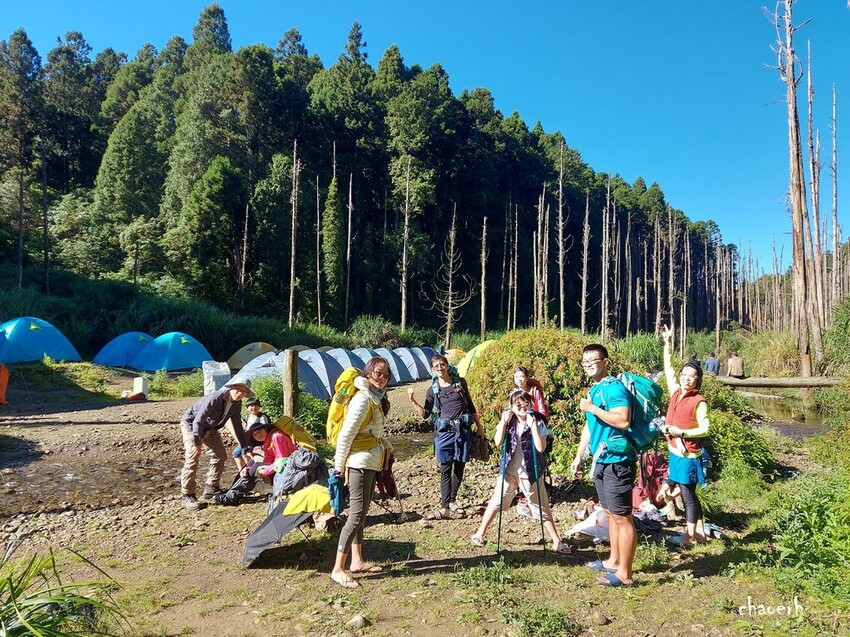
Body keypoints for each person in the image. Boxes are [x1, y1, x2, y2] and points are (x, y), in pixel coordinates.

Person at [470, 390, 570, 553]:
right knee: (496, 502)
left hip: (530, 473)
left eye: (526, 403)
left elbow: (541, 447)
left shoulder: (537, 422)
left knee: (540, 507)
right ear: (511, 407)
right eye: (518, 404)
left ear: (531, 405)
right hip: (509, 472)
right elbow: (497, 442)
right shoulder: (509, 421)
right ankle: (480, 533)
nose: (522, 406)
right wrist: (502, 423)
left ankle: (557, 541)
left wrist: (533, 427)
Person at [570, 344, 636, 587]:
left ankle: (625, 574)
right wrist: (579, 455)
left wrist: (592, 408)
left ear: (606, 362)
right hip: (602, 459)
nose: (588, 364)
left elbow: (623, 419)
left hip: (618, 460)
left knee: (622, 517)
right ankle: (613, 561)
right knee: (610, 514)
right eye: (584, 361)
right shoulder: (596, 389)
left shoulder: (613, 388)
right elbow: (590, 425)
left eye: (593, 360)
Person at [330, 356, 393, 589]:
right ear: (368, 374)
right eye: (378, 373)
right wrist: (338, 467)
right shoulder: (362, 399)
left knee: (363, 513)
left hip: (369, 461)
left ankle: (357, 561)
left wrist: (384, 444)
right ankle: (338, 568)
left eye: (386, 375)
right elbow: (346, 435)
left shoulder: (374, 398)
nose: (382, 378)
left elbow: (371, 432)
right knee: (355, 515)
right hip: (357, 462)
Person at [408, 354, 485, 520]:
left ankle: (451, 501)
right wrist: (413, 401)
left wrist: (479, 427)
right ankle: (445, 507)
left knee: (459, 466)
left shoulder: (460, 383)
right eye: (436, 366)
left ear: (447, 365)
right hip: (444, 434)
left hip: (463, 431)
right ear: (432, 369)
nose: (440, 368)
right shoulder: (432, 390)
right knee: (445, 468)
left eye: (442, 365)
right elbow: (425, 415)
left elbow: (471, 406)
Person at [661, 325, 711, 547]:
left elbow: (705, 429)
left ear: (698, 381)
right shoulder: (675, 392)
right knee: (684, 492)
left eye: (692, 376)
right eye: (684, 375)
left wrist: (681, 432)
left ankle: (689, 538)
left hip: (689, 454)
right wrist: (668, 345)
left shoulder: (699, 401)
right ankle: (699, 532)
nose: (686, 379)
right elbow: (669, 368)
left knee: (688, 495)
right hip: (675, 451)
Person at [179, 376, 253, 511]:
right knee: (192, 458)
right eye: (237, 389)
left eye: (243, 391)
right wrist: (197, 443)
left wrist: (245, 447)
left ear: (245, 394)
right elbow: (198, 421)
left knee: (220, 455)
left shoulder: (236, 404)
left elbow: (238, 427)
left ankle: (211, 486)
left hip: (211, 428)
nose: (239, 393)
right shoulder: (215, 398)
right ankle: (187, 495)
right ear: (231, 388)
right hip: (192, 426)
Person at [212, 414, 298, 505]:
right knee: (252, 462)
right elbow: (268, 460)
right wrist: (248, 469)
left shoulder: (276, 437)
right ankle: (232, 491)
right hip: (285, 466)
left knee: (256, 466)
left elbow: (282, 460)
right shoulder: (268, 442)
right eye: (255, 434)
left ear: (265, 429)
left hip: (290, 469)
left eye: (259, 431)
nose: (258, 434)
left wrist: (264, 471)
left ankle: (231, 497)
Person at [232, 398, 271, 470]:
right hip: (248, 438)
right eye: (251, 406)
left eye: (256, 405)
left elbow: (264, 430)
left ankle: (249, 469)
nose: (253, 408)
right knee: (236, 453)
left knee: (245, 452)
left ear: (259, 407)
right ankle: (241, 470)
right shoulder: (248, 416)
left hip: (256, 440)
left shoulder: (262, 417)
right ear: (247, 408)